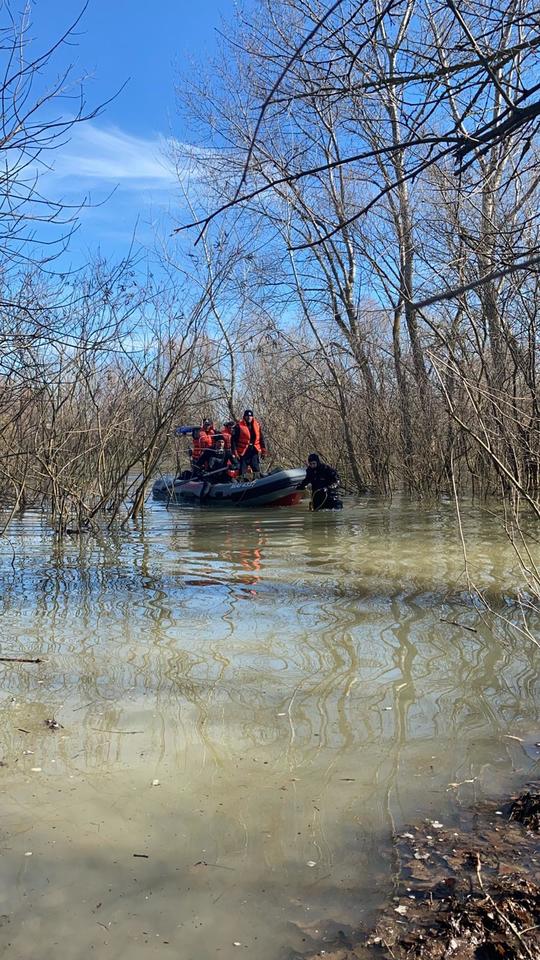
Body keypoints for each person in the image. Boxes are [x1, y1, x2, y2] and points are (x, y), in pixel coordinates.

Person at [231, 409, 267, 479]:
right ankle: (241, 483)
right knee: (242, 471)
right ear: (244, 417)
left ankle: (258, 482)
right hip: (243, 452)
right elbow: (233, 441)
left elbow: (261, 438)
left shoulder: (257, 425)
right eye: (247, 416)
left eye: (250, 416)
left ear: (252, 417)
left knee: (256, 469)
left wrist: (263, 451)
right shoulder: (238, 426)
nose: (249, 417)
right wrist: (235, 453)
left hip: (254, 451)